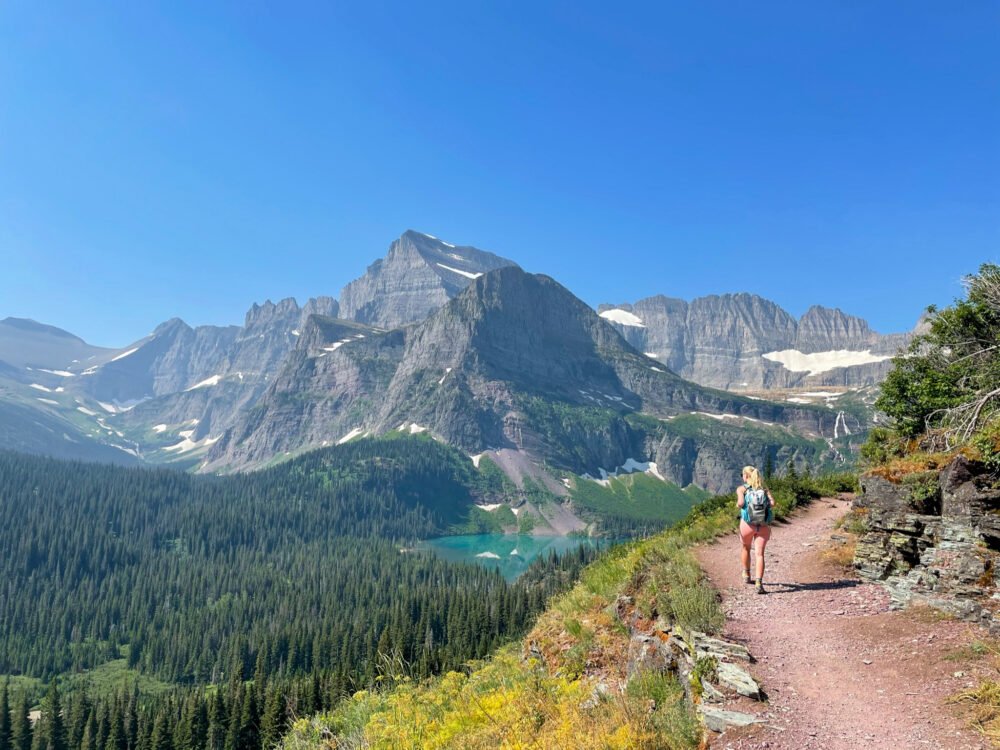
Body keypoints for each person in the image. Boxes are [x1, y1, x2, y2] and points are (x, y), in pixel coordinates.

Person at [737, 465, 775, 594]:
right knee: (760, 554)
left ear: (745, 476)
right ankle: (759, 582)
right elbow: (773, 503)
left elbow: (741, 504)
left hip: (747, 524)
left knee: (745, 547)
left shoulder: (742, 489)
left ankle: (746, 574)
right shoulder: (764, 489)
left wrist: (738, 504)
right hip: (763, 525)